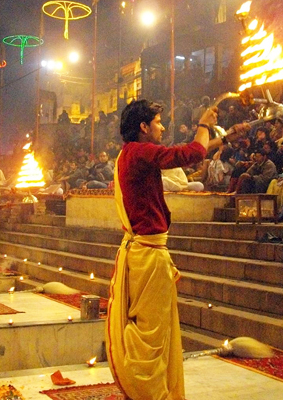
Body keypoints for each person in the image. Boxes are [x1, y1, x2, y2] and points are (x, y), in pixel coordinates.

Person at [106, 99, 248, 400]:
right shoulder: (140, 152)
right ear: (144, 127)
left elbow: (192, 151)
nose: (163, 126)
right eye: (158, 121)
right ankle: (150, 392)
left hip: (144, 253)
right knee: (152, 333)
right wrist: (204, 124)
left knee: (152, 328)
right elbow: (189, 153)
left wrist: (224, 138)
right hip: (148, 255)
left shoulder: (131, 153)